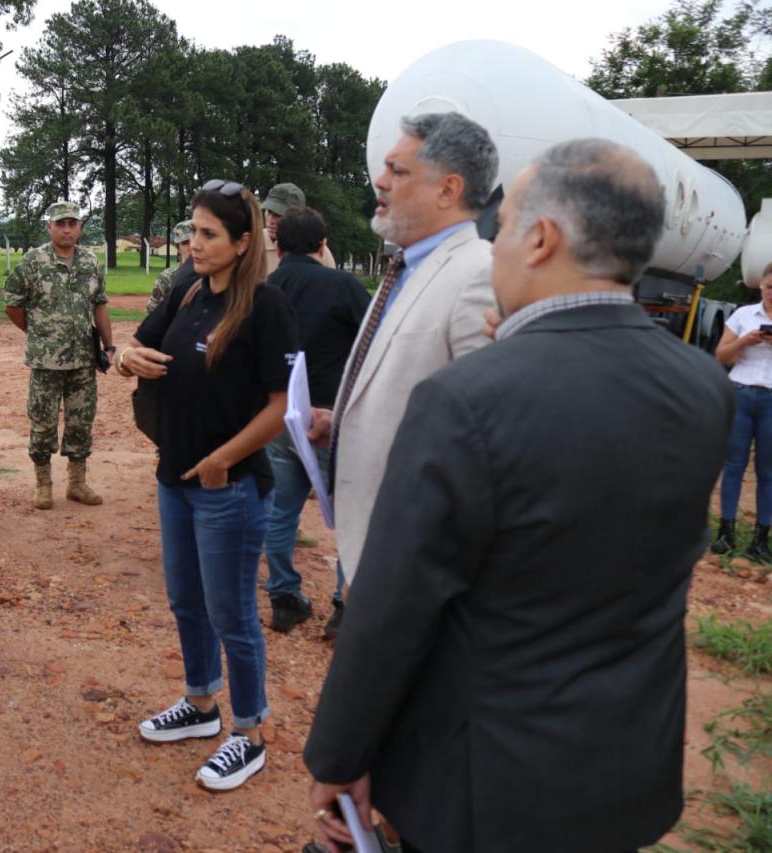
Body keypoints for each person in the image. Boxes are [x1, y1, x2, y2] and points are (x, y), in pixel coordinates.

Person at [304, 139, 732, 853]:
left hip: (485, 783)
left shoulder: (465, 400)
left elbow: (394, 605)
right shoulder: (701, 386)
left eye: (500, 230)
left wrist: (341, 755)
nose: (492, 246)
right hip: (626, 769)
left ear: (541, 238)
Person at [119, 180, 298, 791]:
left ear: (244, 242)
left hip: (230, 487)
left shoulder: (265, 308)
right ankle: (201, 706)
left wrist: (224, 459)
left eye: (208, 234)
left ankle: (247, 732)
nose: (193, 243)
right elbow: (137, 344)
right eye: (191, 231)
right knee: (187, 602)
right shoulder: (188, 291)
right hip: (174, 478)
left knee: (233, 613)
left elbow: (282, 406)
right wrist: (127, 357)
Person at [308, 112, 498, 599]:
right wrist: (342, 422)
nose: (380, 179)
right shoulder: (409, 266)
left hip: (415, 558)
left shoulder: (478, 276)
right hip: (376, 546)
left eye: (399, 170)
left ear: (448, 189)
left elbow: (487, 443)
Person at [261, 207, 369, 636]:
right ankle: (344, 604)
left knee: (281, 510)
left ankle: (284, 596)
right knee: (349, 513)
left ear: (280, 245)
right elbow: (373, 341)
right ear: (323, 245)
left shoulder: (266, 288)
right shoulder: (343, 284)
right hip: (331, 417)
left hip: (279, 416)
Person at [4, 201, 114, 509]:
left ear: (79, 228)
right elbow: (12, 304)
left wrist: (109, 346)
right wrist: (39, 333)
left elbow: (100, 305)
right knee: (43, 424)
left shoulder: (91, 262)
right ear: (50, 227)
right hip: (45, 363)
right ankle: (43, 484)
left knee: (81, 422)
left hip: (83, 361)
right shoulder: (33, 262)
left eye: (72, 224)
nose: (67, 229)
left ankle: (77, 483)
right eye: (61, 224)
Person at [712, 261, 772, 562]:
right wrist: (745, 340)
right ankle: (726, 532)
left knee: (767, 470)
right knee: (733, 464)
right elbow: (720, 355)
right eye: (770, 287)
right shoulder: (743, 315)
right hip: (741, 392)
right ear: (760, 285)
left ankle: (761, 539)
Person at [261, 183, 335, 277]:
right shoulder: (253, 244)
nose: (270, 220)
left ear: (299, 217)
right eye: (268, 212)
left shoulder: (318, 251)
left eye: (278, 214)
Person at [146, 220, 193, 315]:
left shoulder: (216, 275)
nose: (191, 247)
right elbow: (153, 314)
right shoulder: (167, 278)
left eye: (195, 241)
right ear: (178, 247)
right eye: (185, 243)